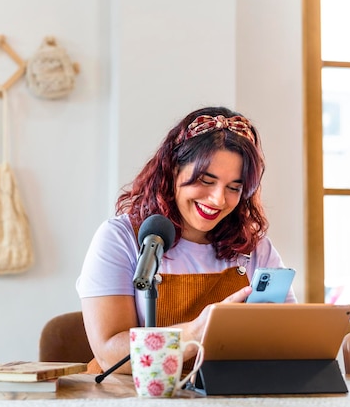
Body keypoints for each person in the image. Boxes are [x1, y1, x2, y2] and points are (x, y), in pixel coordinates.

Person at [76, 106, 297, 375]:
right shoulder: (121, 238)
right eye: (206, 180)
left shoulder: (254, 248)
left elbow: (288, 340)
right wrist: (196, 332)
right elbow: (110, 354)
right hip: (127, 396)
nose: (218, 199)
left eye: (233, 188)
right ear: (172, 170)